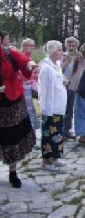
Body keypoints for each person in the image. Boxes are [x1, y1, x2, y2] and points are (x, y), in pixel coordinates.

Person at [0, 30, 37, 188]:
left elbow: (23, 60)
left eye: (6, 40)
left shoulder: (9, 53)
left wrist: (30, 64)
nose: (8, 42)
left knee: (12, 139)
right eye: (6, 40)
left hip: (12, 103)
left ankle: (13, 173)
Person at [38, 40, 67, 171]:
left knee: (57, 134)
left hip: (59, 106)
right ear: (53, 51)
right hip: (51, 108)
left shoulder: (56, 65)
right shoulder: (46, 68)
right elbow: (44, 90)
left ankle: (55, 157)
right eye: (60, 49)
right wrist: (46, 109)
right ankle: (46, 161)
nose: (62, 52)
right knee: (48, 133)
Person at [19, 38, 40, 130]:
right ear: (23, 46)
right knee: (28, 109)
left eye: (33, 45)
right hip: (24, 86)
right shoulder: (21, 58)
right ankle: (29, 130)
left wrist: (35, 75)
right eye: (29, 45)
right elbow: (21, 75)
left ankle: (32, 130)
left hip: (30, 86)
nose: (31, 47)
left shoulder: (30, 58)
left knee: (31, 109)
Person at [61, 36, 79, 141]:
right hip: (63, 84)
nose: (71, 47)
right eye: (69, 45)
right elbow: (59, 69)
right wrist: (67, 61)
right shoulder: (62, 56)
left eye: (73, 45)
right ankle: (62, 131)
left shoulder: (78, 56)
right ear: (66, 45)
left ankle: (67, 130)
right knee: (63, 108)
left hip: (73, 85)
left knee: (70, 109)